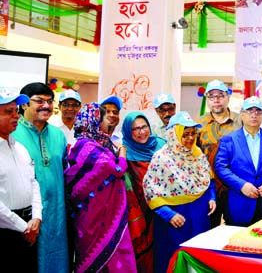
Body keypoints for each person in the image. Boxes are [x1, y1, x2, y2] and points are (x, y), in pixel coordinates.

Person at [64, 102, 137, 273]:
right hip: (95, 216)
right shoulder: (89, 147)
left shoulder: (97, 143)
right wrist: (123, 155)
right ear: (94, 122)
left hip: (103, 211)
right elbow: (117, 169)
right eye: (103, 117)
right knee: (97, 254)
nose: (108, 121)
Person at [145, 111, 216, 273]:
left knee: (198, 259)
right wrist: (168, 214)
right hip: (175, 221)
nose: (190, 138)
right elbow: (150, 192)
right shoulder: (161, 158)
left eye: (193, 134)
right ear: (173, 135)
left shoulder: (197, 154)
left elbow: (209, 179)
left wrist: (212, 197)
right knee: (173, 261)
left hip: (199, 216)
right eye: (185, 135)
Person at [13, 82, 69, 273]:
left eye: (49, 101)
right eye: (39, 101)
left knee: (57, 254)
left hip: (56, 210)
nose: (46, 106)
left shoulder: (58, 135)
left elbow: (64, 168)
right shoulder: (12, 133)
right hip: (24, 213)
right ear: (24, 105)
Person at [215, 96, 262, 226]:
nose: (254, 115)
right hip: (240, 203)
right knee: (237, 244)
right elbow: (221, 167)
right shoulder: (229, 140)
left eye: (258, 111)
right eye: (249, 111)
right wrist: (241, 185)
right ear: (242, 115)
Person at [0, 91, 42, 273]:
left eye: (16, 110)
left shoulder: (20, 148)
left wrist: (36, 218)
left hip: (29, 226)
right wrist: (23, 227)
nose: (16, 115)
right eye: (9, 111)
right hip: (6, 231)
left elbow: (34, 183)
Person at [122, 112, 166, 272]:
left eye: (144, 127)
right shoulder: (124, 152)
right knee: (143, 257)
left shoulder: (162, 146)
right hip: (138, 211)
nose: (142, 132)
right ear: (128, 131)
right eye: (135, 129)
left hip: (164, 210)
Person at [197, 79, 242, 228]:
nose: (216, 100)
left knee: (235, 227)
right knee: (208, 230)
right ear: (207, 100)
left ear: (228, 97)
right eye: (211, 96)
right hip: (209, 188)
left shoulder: (241, 121)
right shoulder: (198, 124)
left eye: (220, 96)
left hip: (236, 186)